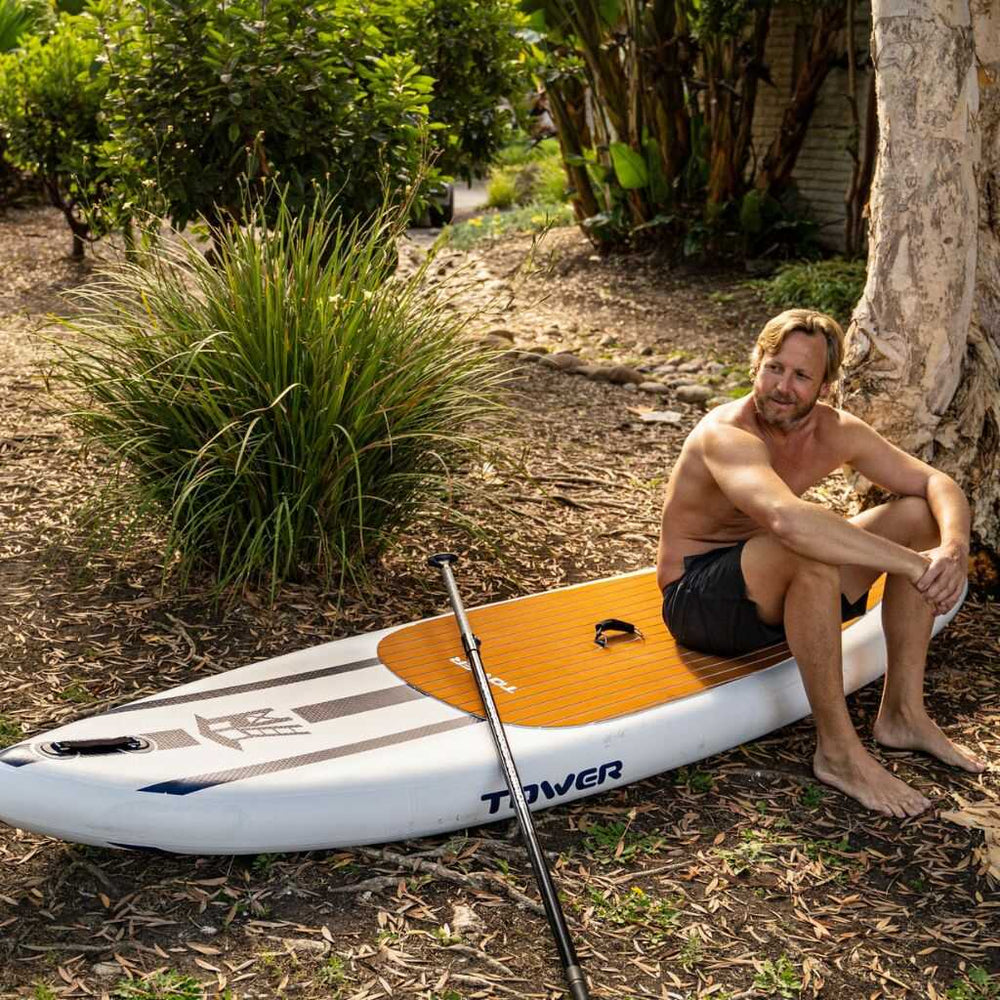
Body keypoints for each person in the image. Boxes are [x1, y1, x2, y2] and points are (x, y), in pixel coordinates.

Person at [656, 308, 985, 817]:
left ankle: (902, 713)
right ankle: (837, 751)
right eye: (774, 368)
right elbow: (787, 521)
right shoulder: (725, 434)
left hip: (778, 590)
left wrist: (952, 550)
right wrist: (915, 568)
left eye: (802, 375)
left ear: (825, 386)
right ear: (755, 364)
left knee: (918, 515)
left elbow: (935, 483)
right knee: (804, 546)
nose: (782, 386)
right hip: (699, 602)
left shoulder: (834, 430)